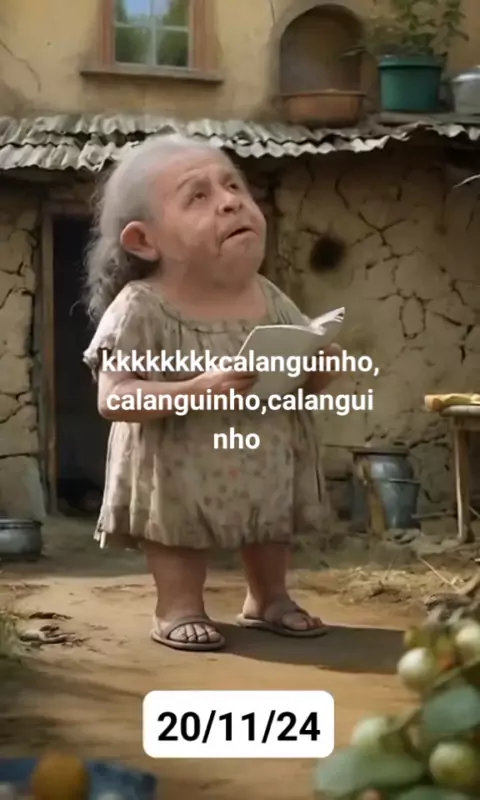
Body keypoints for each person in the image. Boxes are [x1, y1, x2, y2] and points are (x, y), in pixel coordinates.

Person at [83, 134, 341, 652]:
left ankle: (268, 598)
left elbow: (298, 377)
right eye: (197, 196)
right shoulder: (142, 307)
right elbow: (115, 399)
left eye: (233, 186)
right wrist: (195, 388)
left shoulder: (268, 295)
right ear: (144, 241)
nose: (229, 202)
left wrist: (319, 368)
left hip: (263, 448)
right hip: (177, 463)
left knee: (269, 518)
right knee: (177, 523)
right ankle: (177, 606)